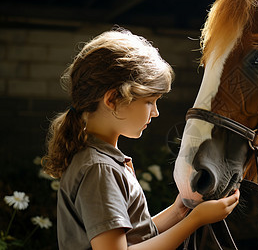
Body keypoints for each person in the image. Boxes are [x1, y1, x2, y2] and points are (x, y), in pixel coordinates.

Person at [42, 28, 240, 250]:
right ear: (113, 99)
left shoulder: (101, 160)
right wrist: (195, 221)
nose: (155, 112)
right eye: (150, 101)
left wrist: (179, 211)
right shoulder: (99, 168)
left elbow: (135, 236)